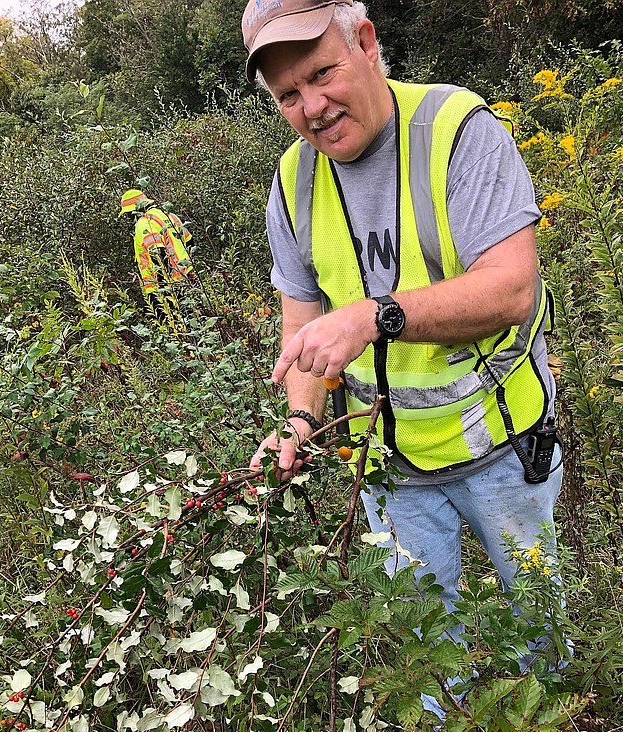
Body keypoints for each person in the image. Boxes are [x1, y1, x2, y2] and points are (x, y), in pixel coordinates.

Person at [244, 0, 563, 673]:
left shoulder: (456, 130)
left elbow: (510, 289)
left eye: (322, 73)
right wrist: (301, 419)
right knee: (424, 648)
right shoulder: (292, 183)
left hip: (503, 445)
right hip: (393, 469)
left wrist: (371, 315)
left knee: (537, 625)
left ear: (365, 41)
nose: (313, 106)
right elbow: (303, 332)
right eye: (289, 95)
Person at [119, 189, 193, 327]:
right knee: (193, 322)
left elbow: (158, 254)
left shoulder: (144, 223)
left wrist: (163, 290)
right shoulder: (169, 215)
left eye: (128, 214)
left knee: (174, 329)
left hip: (164, 288)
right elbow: (189, 242)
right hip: (188, 279)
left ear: (136, 209)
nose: (129, 218)